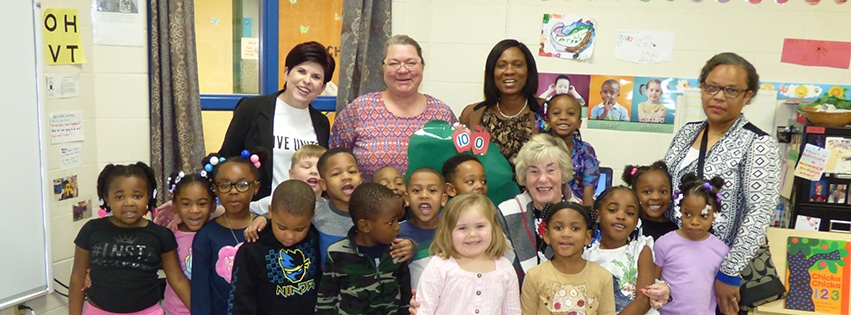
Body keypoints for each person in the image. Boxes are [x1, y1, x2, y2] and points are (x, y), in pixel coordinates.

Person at [663, 52, 781, 315]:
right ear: (702, 87)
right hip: (676, 258)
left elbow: (759, 213)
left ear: (747, 96)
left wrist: (730, 272)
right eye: (712, 87)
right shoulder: (687, 133)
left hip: (719, 264)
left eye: (731, 90)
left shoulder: (758, 144)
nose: (718, 96)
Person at [243, 148, 415, 266]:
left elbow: (398, 233)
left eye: (352, 172)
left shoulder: (377, 212)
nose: (346, 177)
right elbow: (287, 213)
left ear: (361, 178)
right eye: (336, 173)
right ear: (323, 184)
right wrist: (263, 218)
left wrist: (411, 246)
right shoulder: (317, 212)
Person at [219, 41, 335, 208]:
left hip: (304, 217)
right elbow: (226, 160)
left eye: (316, 77)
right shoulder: (252, 109)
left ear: (322, 87)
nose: (307, 81)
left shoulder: (321, 123)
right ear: (287, 73)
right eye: (301, 71)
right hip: (255, 214)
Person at [330, 35, 458, 182]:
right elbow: (334, 160)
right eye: (393, 63)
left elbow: (456, 167)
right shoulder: (359, 109)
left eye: (411, 63)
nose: (402, 70)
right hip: (369, 203)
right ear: (383, 68)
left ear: (422, 67)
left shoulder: (442, 113)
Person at [69, 163, 190, 315]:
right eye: (119, 197)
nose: (129, 203)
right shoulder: (91, 230)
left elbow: (177, 280)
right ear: (106, 197)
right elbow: (78, 277)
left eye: (137, 196)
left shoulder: (161, 235)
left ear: (149, 196)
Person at [315, 183, 412, 314]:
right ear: (364, 226)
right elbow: (326, 301)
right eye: (391, 222)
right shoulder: (337, 254)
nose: (397, 227)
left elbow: (406, 297)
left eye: (398, 220)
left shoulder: (397, 251)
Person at [415, 193, 520, 314]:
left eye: (480, 226)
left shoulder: (505, 268)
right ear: (448, 232)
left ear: (494, 229)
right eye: (462, 228)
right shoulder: (440, 266)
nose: (472, 234)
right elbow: (423, 310)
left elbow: (512, 311)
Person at [229, 180, 320, 315]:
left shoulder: (316, 238)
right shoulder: (253, 249)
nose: (289, 236)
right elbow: (241, 299)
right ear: (270, 211)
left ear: (312, 215)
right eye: (282, 227)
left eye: (300, 229)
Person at [497, 134, 580, 281]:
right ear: (524, 176)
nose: (542, 179)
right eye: (534, 171)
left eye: (550, 170)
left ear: (563, 173)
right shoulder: (507, 214)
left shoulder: (580, 214)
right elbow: (503, 272)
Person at [191, 151, 263, 315]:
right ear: (215, 189)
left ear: (256, 187)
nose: (233, 191)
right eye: (224, 185)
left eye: (242, 184)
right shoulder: (206, 235)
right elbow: (200, 292)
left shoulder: (265, 229)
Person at [520, 202, 616, 315]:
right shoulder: (534, 276)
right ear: (546, 235)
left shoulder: (603, 277)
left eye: (575, 228)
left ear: (587, 237)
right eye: (558, 228)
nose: (566, 234)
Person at [653, 173, 729, 315]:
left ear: (715, 214)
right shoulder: (664, 243)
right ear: (680, 210)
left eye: (703, 215)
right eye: (688, 214)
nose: (694, 221)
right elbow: (653, 282)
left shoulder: (721, 250)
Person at [458, 39, 542, 167]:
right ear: (491, 73)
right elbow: (459, 164)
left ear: (529, 72)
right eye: (501, 65)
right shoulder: (472, 113)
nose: (509, 71)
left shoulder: (547, 111)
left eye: (517, 65)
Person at [583, 186, 664, 315]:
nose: (621, 216)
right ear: (597, 215)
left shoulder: (641, 250)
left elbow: (644, 299)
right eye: (613, 210)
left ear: (636, 222)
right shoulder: (587, 256)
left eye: (630, 213)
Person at [162, 171, 216, 315]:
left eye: (202, 203)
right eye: (186, 204)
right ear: (175, 206)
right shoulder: (170, 235)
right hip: (176, 311)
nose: (194, 210)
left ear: (213, 205)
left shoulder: (217, 233)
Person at [539, 94, 600, 205]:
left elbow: (588, 190)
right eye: (556, 113)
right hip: (543, 207)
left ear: (579, 123)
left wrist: (587, 218)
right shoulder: (538, 148)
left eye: (570, 113)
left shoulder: (586, 150)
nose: (563, 117)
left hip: (576, 209)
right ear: (547, 120)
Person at [400, 167, 447, 288]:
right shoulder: (397, 233)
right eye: (416, 190)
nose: (424, 195)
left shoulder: (454, 229)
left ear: (443, 199)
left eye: (432, 190)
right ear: (407, 199)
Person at [622, 162, 678, 240]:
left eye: (663, 191)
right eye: (647, 192)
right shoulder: (629, 225)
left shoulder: (674, 231)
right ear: (634, 194)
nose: (656, 197)